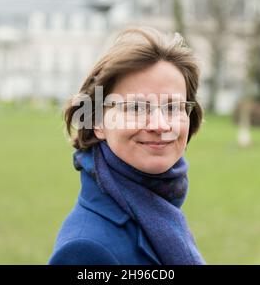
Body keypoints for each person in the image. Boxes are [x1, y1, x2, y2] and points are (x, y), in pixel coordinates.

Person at [48, 27, 206, 265]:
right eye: (136, 108)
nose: (160, 125)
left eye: (173, 107)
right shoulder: (85, 251)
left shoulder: (159, 212)